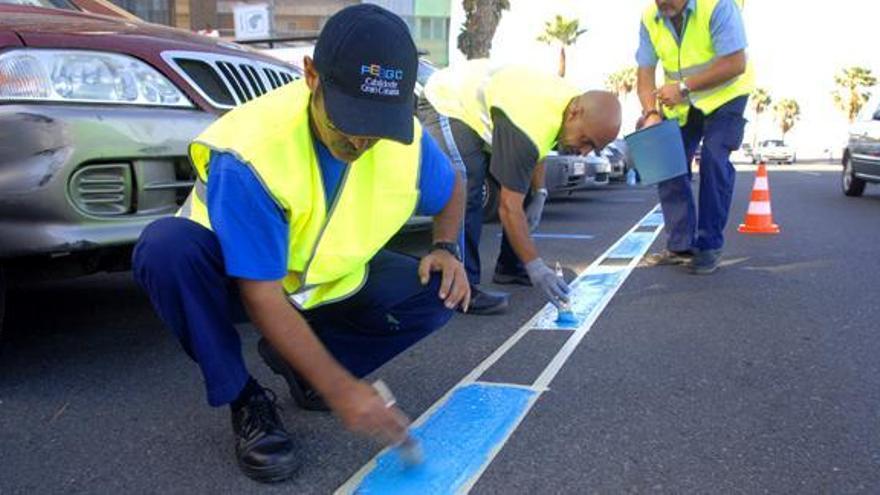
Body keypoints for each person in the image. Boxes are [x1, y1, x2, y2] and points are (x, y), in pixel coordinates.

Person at [132, 4, 469, 483]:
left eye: (376, 128)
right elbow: (261, 294)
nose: (358, 141)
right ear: (311, 76)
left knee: (441, 290)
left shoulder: (406, 140)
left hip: (326, 281)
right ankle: (246, 399)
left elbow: (452, 184)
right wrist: (344, 391)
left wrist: (446, 247)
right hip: (235, 279)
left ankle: (304, 370)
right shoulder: (254, 150)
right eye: (348, 121)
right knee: (165, 249)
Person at [419, 60, 621, 314]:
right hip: (446, 101)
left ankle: (510, 267)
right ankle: (460, 287)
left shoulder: (566, 105)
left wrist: (540, 193)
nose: (584, 152)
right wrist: (536, 266)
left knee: (520, 185)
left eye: (592, 148)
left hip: (488, 108)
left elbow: (535, 154)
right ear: (575, 114)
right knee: (466, 186)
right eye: (585, 141)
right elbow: (508, 207)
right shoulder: (531, 119)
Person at [636, 0, 754, 274]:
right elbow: (644, 74)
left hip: (726, 96)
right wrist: (651, 113)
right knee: (667, 161)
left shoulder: (718, 6)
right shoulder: (649, 17)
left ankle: (709, 245)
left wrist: (684, 87)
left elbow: (736, 62)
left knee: (714, 157)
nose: (663, 2)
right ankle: (680, 246)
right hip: (683, 103)